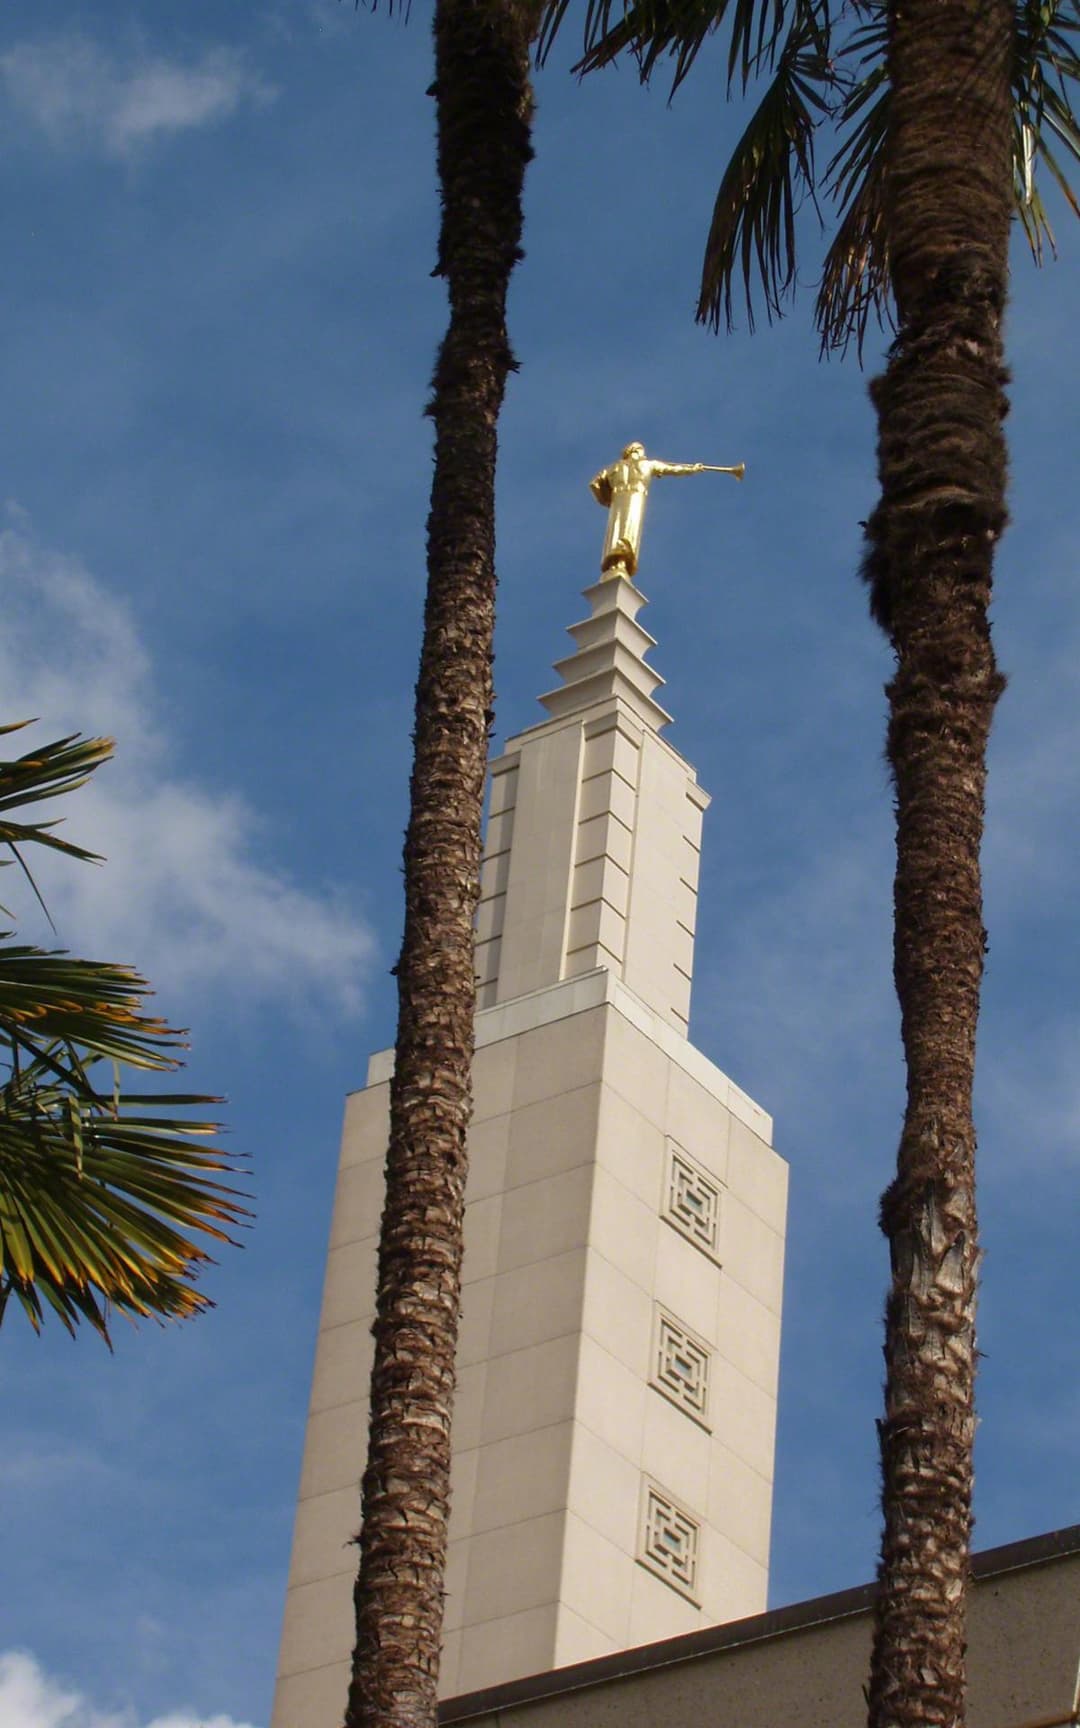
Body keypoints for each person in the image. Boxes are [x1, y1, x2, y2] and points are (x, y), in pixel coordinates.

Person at [589, 441, 743, 578]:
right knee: (630, 528)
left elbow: (594, 484)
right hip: (636, 496)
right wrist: (693, 469)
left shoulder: (614, 467)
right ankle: (623, 558)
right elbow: (673, 469)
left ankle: (615, 560)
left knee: (616, 527)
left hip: (618, 497)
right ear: (637, 451)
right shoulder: (647, 464)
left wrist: (606, 500)